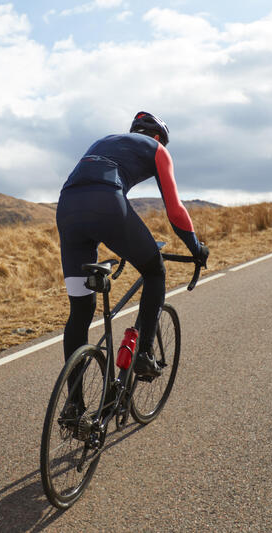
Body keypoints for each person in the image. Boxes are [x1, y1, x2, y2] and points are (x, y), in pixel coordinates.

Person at [56, 111, 209, 403]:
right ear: (157, 138)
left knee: (80, 312)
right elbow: (174, 210)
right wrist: (195, 247)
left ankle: (74, 406)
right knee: (154, 271)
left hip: (67, 207)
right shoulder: (157, 150)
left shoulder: (104, 141)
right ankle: (144, 353)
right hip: (107, 203)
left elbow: (90, 189)